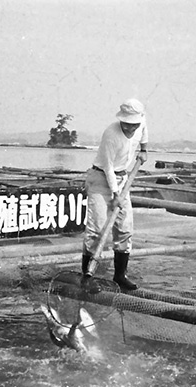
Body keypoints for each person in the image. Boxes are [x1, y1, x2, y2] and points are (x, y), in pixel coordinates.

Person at [81, 99, 149, 293]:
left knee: (124, 227)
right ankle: (87, 277)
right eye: (126, 124)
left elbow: (144, 132)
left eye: (133, 125)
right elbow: (108, 167)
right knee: (97, 229)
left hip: (122, 178)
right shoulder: (111, 135)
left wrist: (144, 149)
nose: (129, 128)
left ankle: (120, 276)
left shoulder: (141, 123)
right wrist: (116, 194)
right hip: (101, 179)